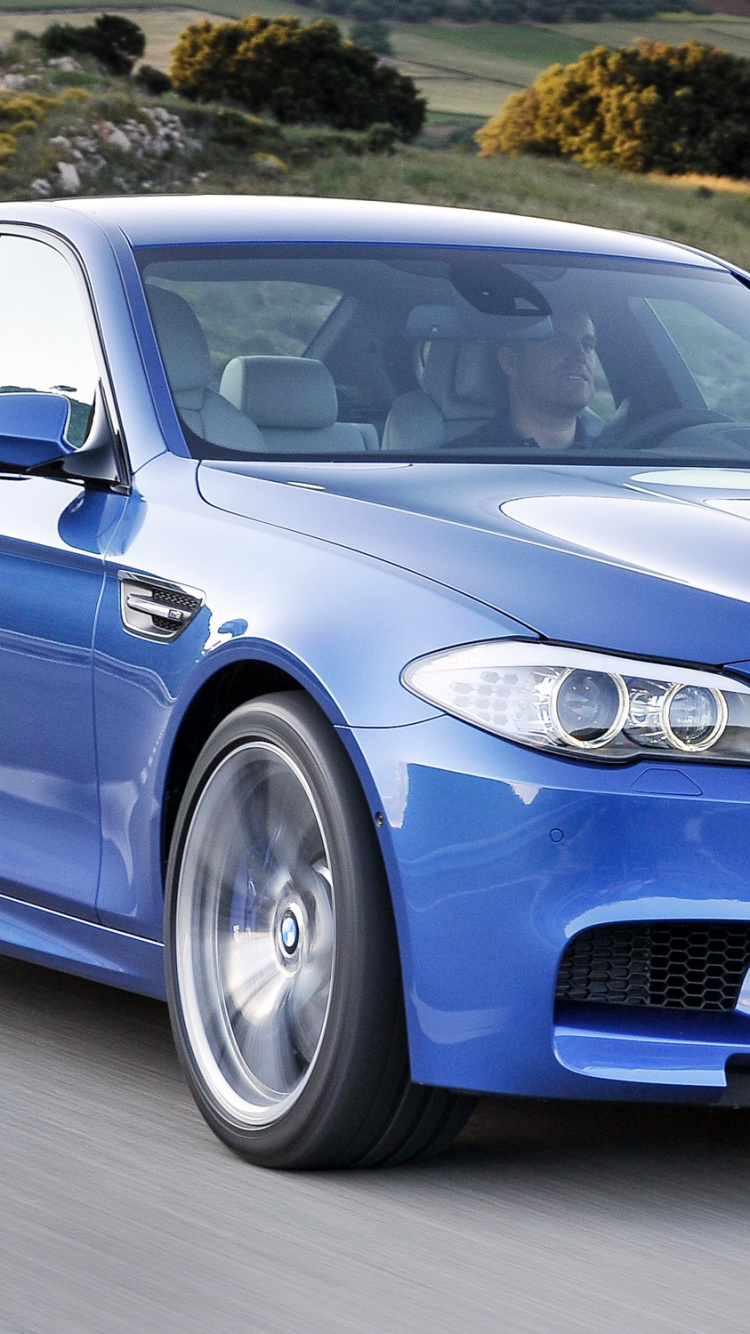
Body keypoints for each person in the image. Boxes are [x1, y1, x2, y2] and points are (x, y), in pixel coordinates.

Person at [462, 306, 601, 452]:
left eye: (587, 345)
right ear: (510, 362)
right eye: (559, 343)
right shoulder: (463, 459)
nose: (581, 356)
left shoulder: (612, 453)